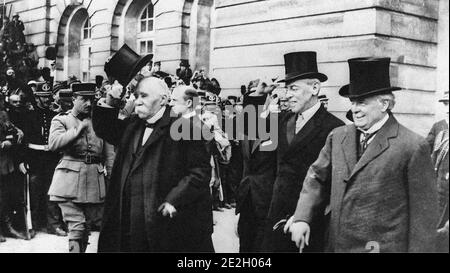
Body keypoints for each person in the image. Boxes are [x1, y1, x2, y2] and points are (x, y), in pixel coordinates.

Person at [285, 57, 438, 252]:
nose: (354, 109)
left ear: (384, 104)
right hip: (337, 247)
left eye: (361, 103)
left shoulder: (412, 146)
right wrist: (302, 217)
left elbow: (423, 219)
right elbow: (316, 177)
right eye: (352, 102)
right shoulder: (338, 136)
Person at [94, 77, 214, 252]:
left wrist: (175, 200)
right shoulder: (132, 123)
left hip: (162, 220)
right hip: (127, 217)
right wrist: (111, 99)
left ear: (163, 100)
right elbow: (105, 129)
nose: (138, 101)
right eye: (136, 96)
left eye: (144, 96)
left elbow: (199, 172)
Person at [262, 52, 344, 252]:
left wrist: (303, 216)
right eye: (286, 89)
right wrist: (257, 95)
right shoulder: (283, 120)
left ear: (315, 88)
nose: (287, 94)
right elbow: (248, 131)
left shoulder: (335, 128)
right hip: (275, 217)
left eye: (293, 88)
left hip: (308, 226)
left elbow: (332, 184)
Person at [47, 83, 113, 252]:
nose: (89, 104)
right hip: (69, 179)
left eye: (91, 99)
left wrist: (111, 178)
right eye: (84, 99)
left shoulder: (100, 122)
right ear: (74, 99)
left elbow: (109, 153)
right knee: (76, 226)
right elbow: (54, 144)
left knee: (86, 227)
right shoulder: (61, 119)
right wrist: (77, 129)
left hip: (94, 180)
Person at [19, 82, 67, 237]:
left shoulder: (54, 115)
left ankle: (53, 224)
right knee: (34, 192)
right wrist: (22, 160)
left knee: (52, 192)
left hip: (51, 158)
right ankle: (32, 225)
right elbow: (23, 141)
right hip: (34, 158)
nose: (47, 100)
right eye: (43, 97)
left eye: (48, 97)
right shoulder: (29, 115)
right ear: (37, 98)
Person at [235, 79, 278, 252]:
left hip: (268, 202)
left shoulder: (279, 126)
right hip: (248, 200)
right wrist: (257, 94)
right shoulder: (251, 127)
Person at [426, 91, 449, 253]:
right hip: (436, 194)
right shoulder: (439, 126)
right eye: (446, 104)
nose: (448, 108)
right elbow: (422, 151)